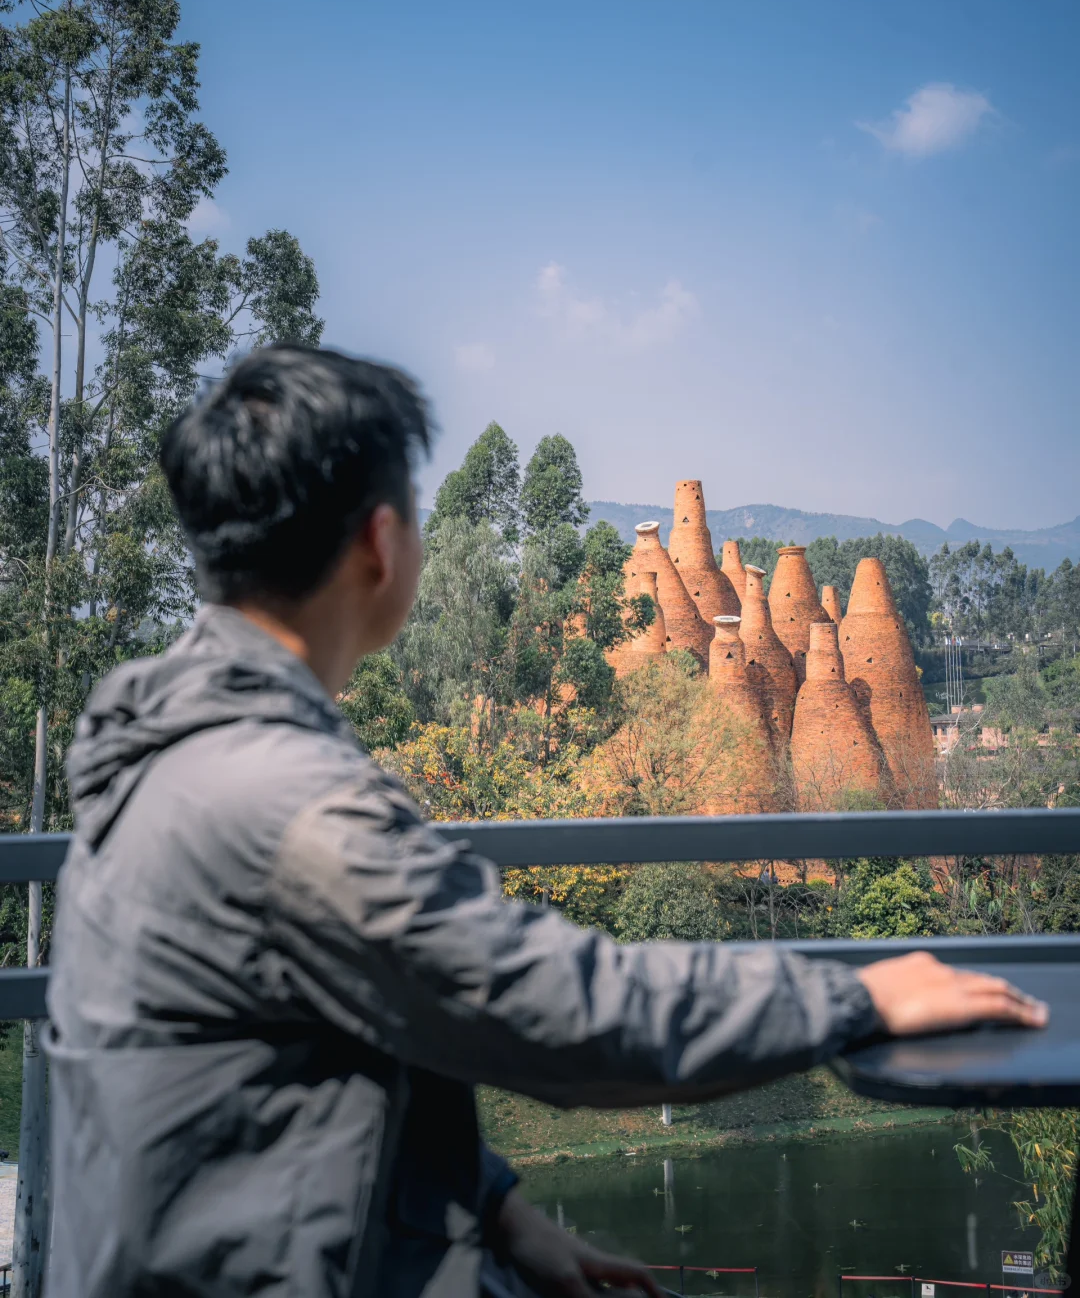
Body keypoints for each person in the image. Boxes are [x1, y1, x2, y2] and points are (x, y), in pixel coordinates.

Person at [46, 346, 1048, 1298]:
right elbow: (555, 1008)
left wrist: (502, 1214)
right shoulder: (288, 804)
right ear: (381, 543)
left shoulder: (165, 743)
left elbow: (327, 1044)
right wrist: (849, 997)